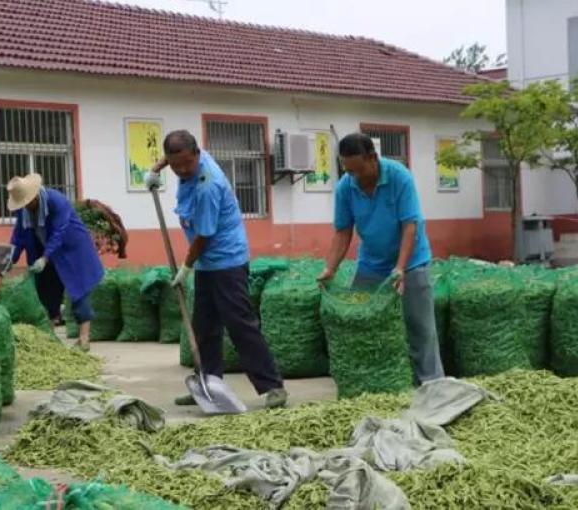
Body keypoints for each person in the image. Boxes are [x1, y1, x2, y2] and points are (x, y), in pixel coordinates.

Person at [145, 130, 288, 409]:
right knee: (204, 325)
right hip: (208, 263)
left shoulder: (207, 184)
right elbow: (173, 154)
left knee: (239, 323)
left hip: (227, 259)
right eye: (176, 166)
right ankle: (208, 383)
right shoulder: (185, 156)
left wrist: (186, 267)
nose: (183, 170)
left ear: (197, 154)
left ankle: (272, 386)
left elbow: (204, 235)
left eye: (187, 164)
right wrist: (155, 169)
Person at [317, 133, 445, 384]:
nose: (354, 176)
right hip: (371, 263)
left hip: (411, 261)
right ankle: (371, 382)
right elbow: (343, 231)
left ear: (373, 158)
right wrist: (330, 268)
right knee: (363, 320)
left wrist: (400, 269)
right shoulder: (346, 186)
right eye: (348, 170)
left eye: (358, 169)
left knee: (420, 327)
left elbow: (410, 225)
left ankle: (431, 384)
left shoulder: (399, 177)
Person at [7, 173, 104, 351]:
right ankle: (49, 337)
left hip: (71, 249)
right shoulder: (24, 210)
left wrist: (45, 257)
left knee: (78, 290)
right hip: (43, 249)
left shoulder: (57, 201)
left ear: (35, 196)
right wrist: (9, 259)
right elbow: (19, 236)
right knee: (46, 289)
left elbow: (59, 232)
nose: (25, 208)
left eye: (27, 203)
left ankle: (84, 338)